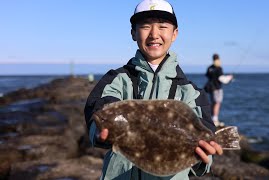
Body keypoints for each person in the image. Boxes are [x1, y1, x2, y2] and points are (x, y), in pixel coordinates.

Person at [84, 0, 223, 179]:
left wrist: (203, 156)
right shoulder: (116, 80)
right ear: (133, 33)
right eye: (145, 27)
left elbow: (205, 136)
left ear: (175, 34)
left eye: (163, 27)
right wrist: (102, 130)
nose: (154, 34)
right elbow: (98, 109)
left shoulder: (191, 93)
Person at [205, 53, 233, 127]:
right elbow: (221, 79)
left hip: (211, 88)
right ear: (219, 59)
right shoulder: (219, 68)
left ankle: (212, 118)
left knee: (213, 103)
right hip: (217, 88)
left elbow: (208, 76)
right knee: (217, 103)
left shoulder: (209, 68)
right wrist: (229, 78)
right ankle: (215, 119)